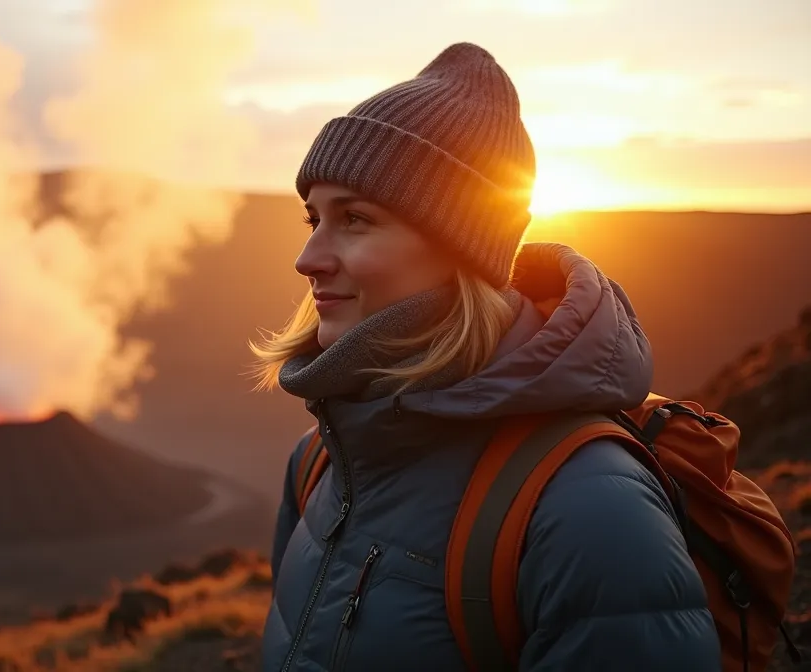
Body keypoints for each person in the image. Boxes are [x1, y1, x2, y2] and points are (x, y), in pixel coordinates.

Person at [252, 43, 722, 671]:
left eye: (355, 218)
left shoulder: (589, 509)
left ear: (460, 249)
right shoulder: (319, 460)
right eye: (312, 218)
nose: (307, 257)